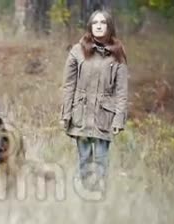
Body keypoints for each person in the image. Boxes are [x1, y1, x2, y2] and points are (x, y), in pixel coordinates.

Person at [59, 9, 128, 191]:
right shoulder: (77, 51)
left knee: (101, 162)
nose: (98, 26)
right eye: (95, 22)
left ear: (109, 26)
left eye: (103, 22)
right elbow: (68, 86)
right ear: (90, 26)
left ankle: (99, 199)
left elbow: (121, 91)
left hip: (104, 117)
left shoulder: (117, 54)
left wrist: (119, 118)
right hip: (81, 114)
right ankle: (84, 198)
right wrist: (66, 114)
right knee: (84, 161)